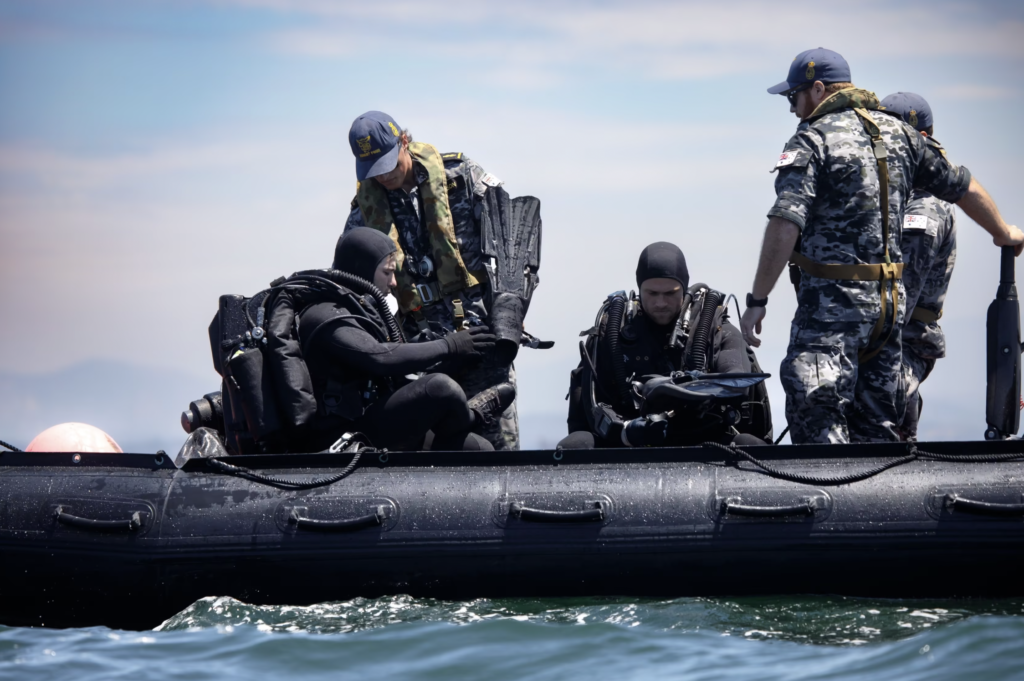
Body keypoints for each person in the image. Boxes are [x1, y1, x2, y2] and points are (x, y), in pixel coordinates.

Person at [739, 48, 1023, 444]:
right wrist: (1003, 232)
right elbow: (961, 185)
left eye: (794, 96)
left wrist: (758, 299)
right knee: (877, 431)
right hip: (888, 319)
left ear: (818, 89)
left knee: (816, 419)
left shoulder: (813, 138)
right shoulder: (902, 135)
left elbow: (785, 221)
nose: (792, 108)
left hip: (831, 316)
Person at [344, 111, 530, 450]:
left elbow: (511, 241)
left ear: (403, 141)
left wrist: (508, 315)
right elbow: (351, 276)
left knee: (498, 452)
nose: (383, 175)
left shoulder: (461, 175)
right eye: (373, 169)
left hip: (482, 339)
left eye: (387, 163)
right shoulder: (364, 209)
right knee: (433, 456)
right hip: (421, 352)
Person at [296, 228, 515, 452]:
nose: (393, 282)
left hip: (367, 422)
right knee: (440, 388)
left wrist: (449, 358)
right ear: (362, 270)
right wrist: (450, 346)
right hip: (336, 437)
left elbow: (395, 374)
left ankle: (463, 418)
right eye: (387, 272)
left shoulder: (362, 314)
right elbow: (379, 357)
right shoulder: (326, 315)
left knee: (478, 449)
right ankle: (472, 416)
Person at [559, 242, 772, 449]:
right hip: (628, 439)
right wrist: (626, 431)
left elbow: (737, 380)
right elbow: (591, 405)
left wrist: (687, 387)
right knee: (575, 445)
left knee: (750, 445)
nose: (660, 303)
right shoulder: (613, 331)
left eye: (670, 293)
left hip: (704, 438)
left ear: (684, 290)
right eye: (652, 293)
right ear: (640, 289)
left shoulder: (713, 327)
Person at [878, 92, 955, 441]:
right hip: (887, 345)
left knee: (882, 449)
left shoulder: (923, 209)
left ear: (920, 139)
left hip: (901, 348)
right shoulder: (898, 196)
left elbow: (899, 301)